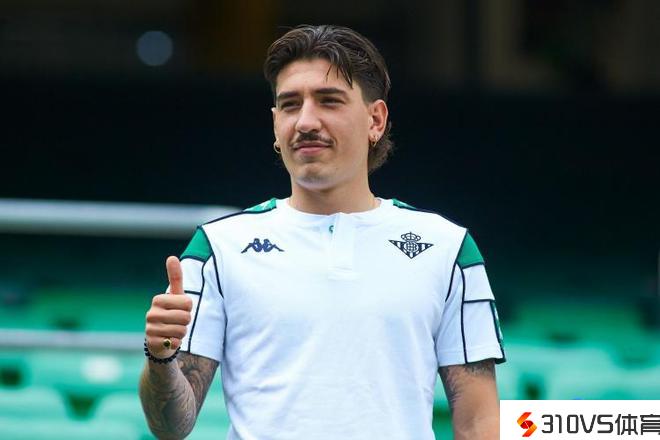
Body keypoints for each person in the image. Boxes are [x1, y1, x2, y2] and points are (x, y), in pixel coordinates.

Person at [139, 24, 505, 440]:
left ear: (376, 120)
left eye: (329, 101)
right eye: (290, 105)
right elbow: (171, 426)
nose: (306, 121)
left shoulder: (448, 248)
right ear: (275, 125)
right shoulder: (217, 247)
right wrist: (160, 358)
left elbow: (479, 422)